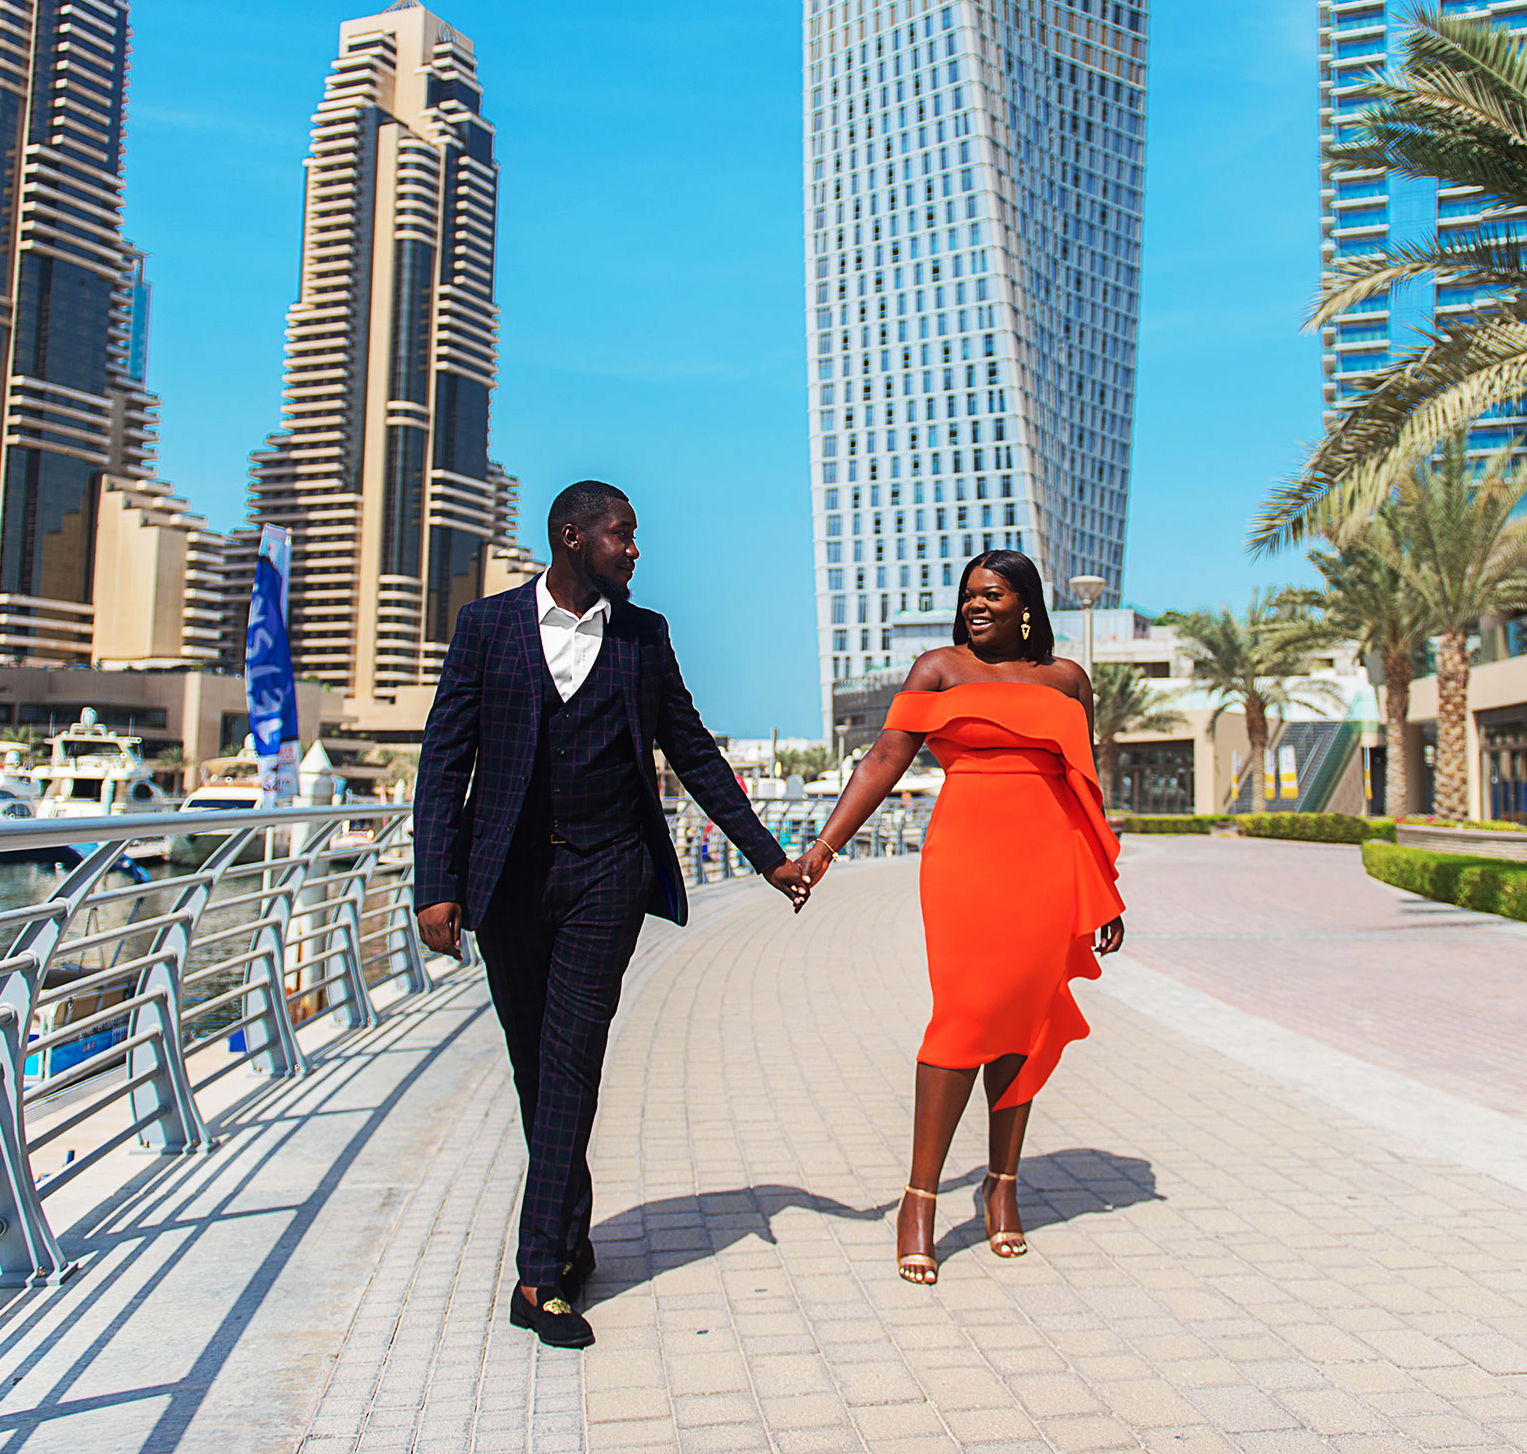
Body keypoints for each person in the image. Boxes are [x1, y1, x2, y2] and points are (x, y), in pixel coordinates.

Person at [412, 481, 812, 1349]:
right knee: (536, 1069)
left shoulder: (643, 636)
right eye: (621, 535)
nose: (634, 550)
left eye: (632, 537)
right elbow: (443, 761)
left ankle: (537, 1277)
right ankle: (569, 1230)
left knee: (573, 1060)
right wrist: (434, 883)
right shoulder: (486, 628)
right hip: (508, 883)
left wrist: (768, 856)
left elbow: (695, 754)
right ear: (571, 536)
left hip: (607, 876)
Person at [796, 549, 1124, 1282]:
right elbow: (883, 760)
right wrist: (822, 847)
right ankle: (919, 1198)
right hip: (967, 858)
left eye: (993, 595)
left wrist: (1102, 884)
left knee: (1024, 1016)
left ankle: (1001, 1186)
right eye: (970, 594)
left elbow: (1085, 785)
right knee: (965, 1014)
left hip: (1048, 861)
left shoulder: (1067, 679)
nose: (976, 605)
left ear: (1026, 606)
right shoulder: (938, 669)